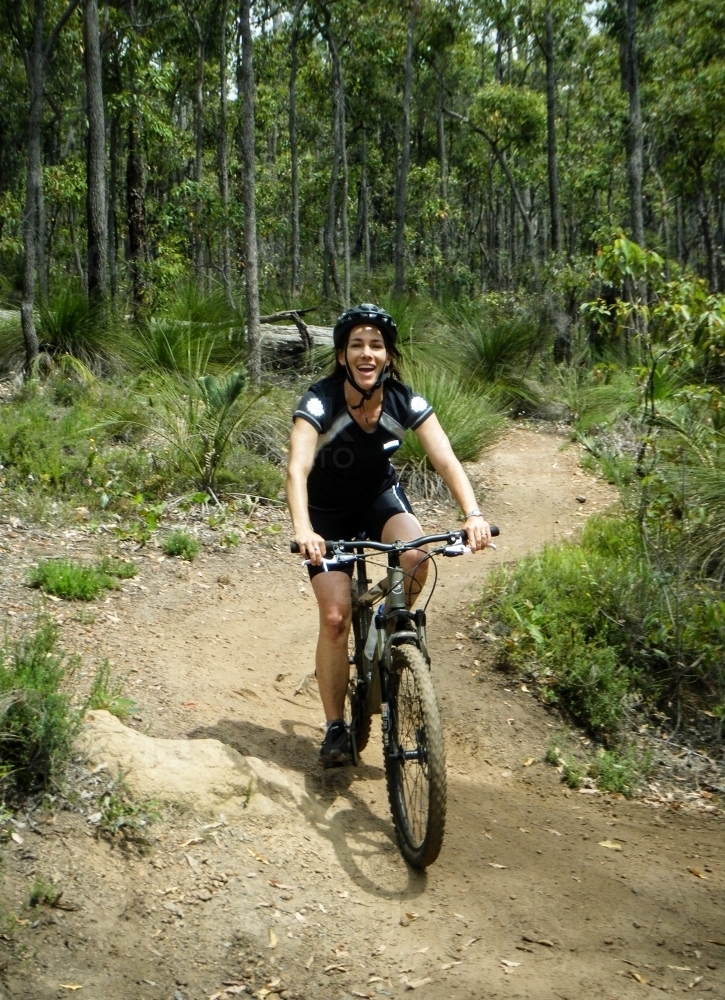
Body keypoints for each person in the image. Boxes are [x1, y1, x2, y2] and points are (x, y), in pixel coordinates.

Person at [286, 303, 491, 767]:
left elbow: (445, 458)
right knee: (335, 618)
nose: (367, 353)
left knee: (417, 557)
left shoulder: (404, 401)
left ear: (389, 356)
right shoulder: (320, 402)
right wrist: (304, 530)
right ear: (342, 356)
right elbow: (297, 468)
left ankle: (391, 628)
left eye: (376, 346)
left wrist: (473, 514)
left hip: (379, 498)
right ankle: (336, 727)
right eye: (356, 345)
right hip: (326, 513)